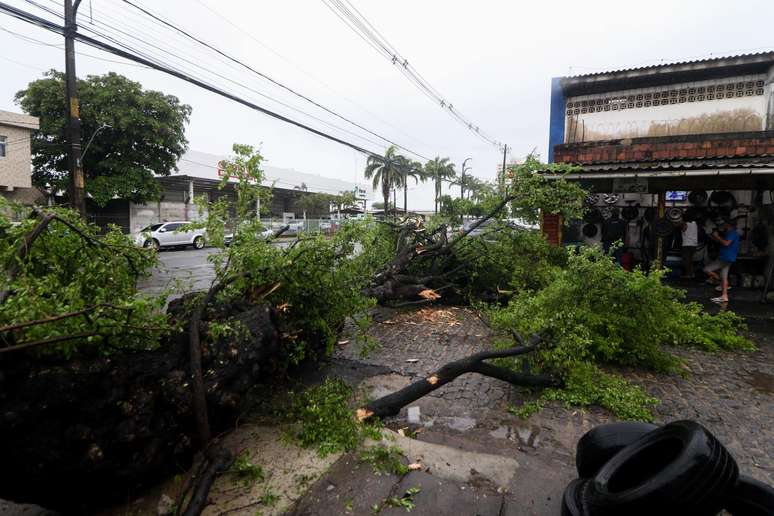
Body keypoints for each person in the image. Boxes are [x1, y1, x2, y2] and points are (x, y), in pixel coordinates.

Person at [703, 220, 740, 303]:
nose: (722, 226)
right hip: (727, 257)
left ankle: (720, 283)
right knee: (724, 276)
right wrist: (714, 237)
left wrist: (717, 237)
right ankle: (724, 295)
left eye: (724, 224)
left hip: (725, 258)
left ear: (728, 224)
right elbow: (722, 242)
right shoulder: (730, 233)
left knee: (706, 269)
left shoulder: (732, 233)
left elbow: (726, 243)